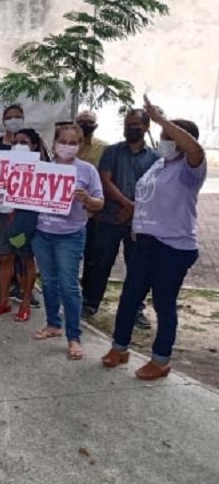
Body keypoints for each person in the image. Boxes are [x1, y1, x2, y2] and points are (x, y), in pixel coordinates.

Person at [102, 99, 206, 380]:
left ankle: (160, 361)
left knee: (163, 303)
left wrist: (161, 120)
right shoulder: (160, 164)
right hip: (146, 243)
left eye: (170, 138)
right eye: (162, 137)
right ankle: (119, 347)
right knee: (129, 297)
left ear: (184, 142)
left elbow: (196, 151)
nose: (164, 141)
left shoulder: (189, 168)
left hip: (173, 247)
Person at [32, 124, 104, 360]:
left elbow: (100, 203)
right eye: (63, 141)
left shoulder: (87, 170)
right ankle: (53, 324)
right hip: (43, 233)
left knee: (69, 286)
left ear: (80, 145)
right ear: (55, 142)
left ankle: (74, 336)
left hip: (70, 235)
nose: (67, 146)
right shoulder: (43, 169)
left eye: (73, 142)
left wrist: (87, 199)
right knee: (49, 283)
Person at [81, 109, 159, 328]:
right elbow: (105, 181)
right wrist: (128, 204)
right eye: (127, 124)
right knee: (99, 263)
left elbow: (154, 189)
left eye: (135, 125)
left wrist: (134, 209)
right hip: (109, 218)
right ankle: (90, 303)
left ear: (145, 128)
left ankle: (135, 309)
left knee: (138, 267)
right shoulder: (112, 152)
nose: (130, 128)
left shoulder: (155, 158)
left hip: (140, 222)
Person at [0, 128, 47, 322]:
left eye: (23, 142)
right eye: (15, 142)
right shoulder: (1, 164)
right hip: (2, 214)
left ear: (33, 145)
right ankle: (3, 301)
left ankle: (25, 304)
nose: (18, 146)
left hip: (24, 217)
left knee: (26, 260)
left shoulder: (42, 168)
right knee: (4, 258)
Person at [76, 110, 109, 307]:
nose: (85, 124)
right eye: (81, 121)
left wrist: (95, 206)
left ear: (95, 125)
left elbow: (104, 180)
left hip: (93, 211)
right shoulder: (66, 148)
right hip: (69, 213)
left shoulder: (103, 148)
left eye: (89, 122)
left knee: (92, 255)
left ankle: (88, 296)